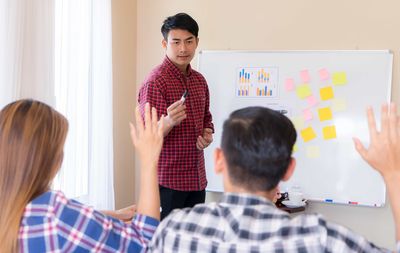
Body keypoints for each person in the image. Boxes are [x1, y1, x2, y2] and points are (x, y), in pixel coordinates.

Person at [146, 104, 400, 252]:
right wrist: (394, 173)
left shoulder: (174, 229)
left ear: (219, 160)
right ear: (289, 169)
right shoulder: (320, 239)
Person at [0, 99, 163, 252]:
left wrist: (113, 215)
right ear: (48, 159)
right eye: (59, 150)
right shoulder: (56, 217)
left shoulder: (18, 212)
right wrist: (149, 161)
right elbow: (143, 243)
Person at [138, 12, 214, 220]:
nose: (183, 49)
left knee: (192, 241)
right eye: (176, 42)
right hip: (168, 182)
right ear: (164, 44)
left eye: (189, 41)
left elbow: (207, 118)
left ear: (197, 42)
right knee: (166, 242)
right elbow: (147, 136)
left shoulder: (200, 81)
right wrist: (169, 121)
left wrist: (207, 134)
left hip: (197, 179)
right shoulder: (155, 82)